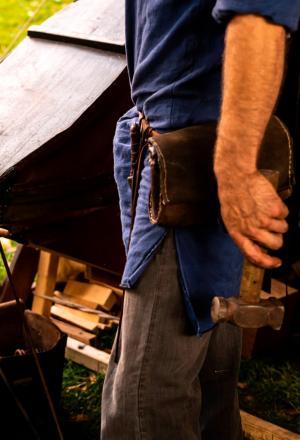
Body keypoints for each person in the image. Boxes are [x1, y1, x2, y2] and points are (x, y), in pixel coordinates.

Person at [101, 1, 300, 439]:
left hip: (194, 171)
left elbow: (258, 19)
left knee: (147, 401)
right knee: (205, 374)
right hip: (163, 151)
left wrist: (236, 172)